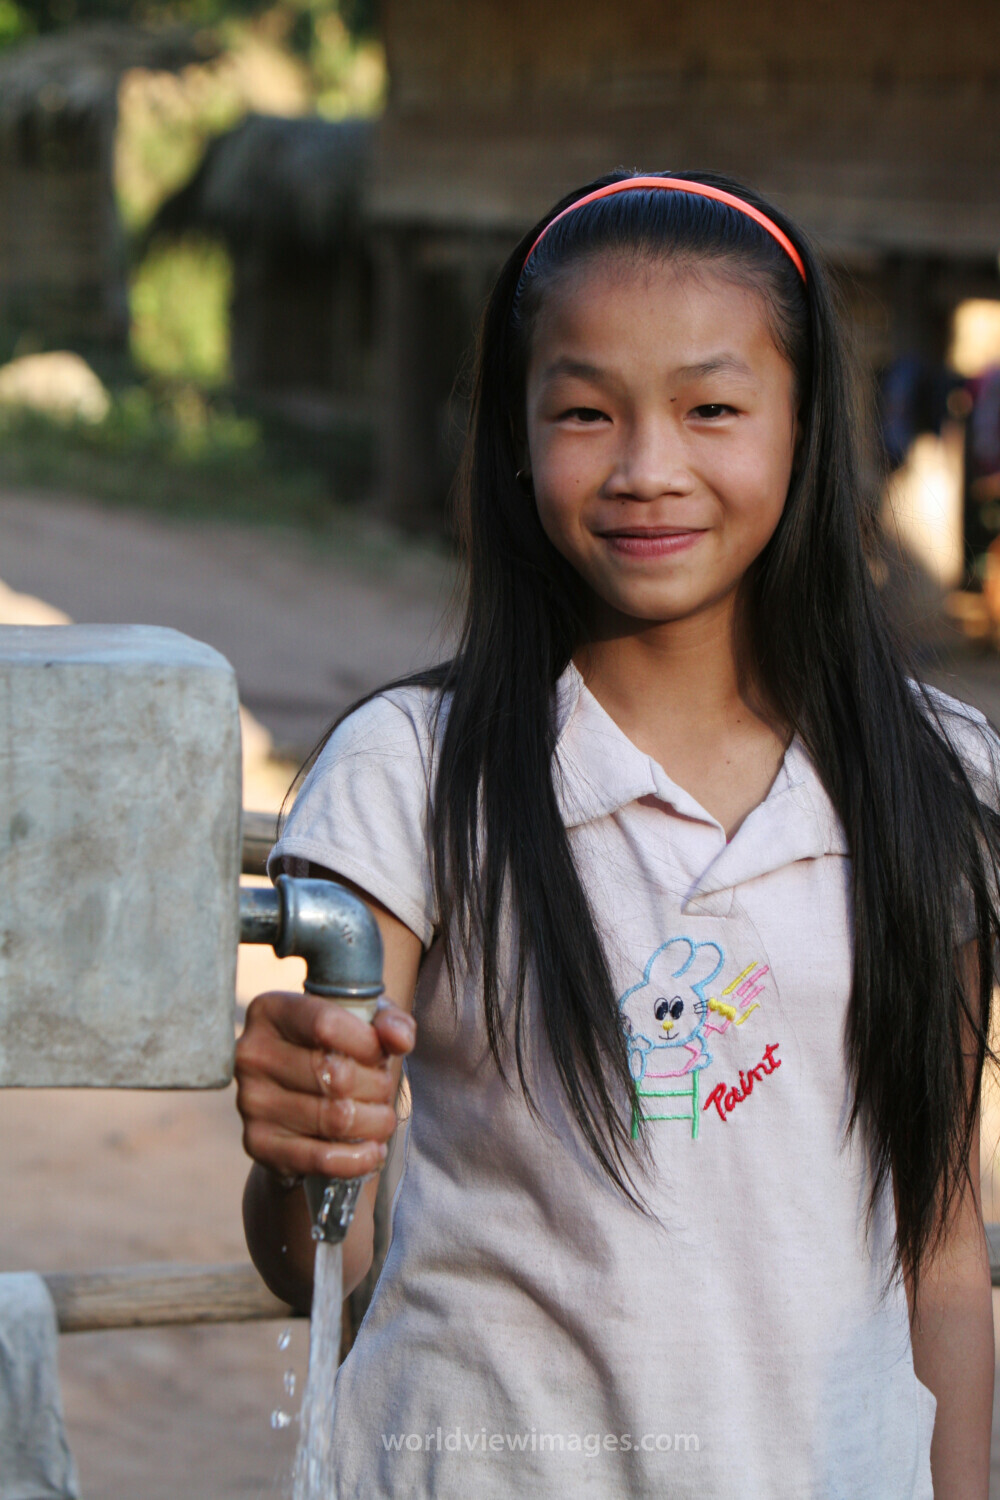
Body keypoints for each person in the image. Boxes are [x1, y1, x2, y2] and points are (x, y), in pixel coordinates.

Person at [234, 172, 998, 1498]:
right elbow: (317, 1249)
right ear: (516, 439)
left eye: (712, 408)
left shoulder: (932, 779)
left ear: (806, 429)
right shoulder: (414, 778)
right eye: (585, 412)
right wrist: (307, 1148)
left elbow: (940, 1250)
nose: (648, 468)